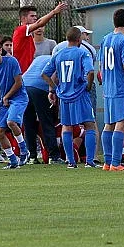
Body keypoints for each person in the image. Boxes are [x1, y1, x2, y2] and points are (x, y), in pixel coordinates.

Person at [43, 26, 99, 168]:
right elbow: (90, 72)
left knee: (66, 127)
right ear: (79, 38)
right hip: (80, 94)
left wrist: (55, 89)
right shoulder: (82, 53)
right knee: (89, 125)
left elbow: (44, 74)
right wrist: (87, 86)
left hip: (64, 96)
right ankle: (90, 161)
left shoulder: (59, 54)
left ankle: (71, 161)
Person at [98, 8, 124, 172]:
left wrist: (105, 81)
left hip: (108, 88)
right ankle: (116, 163)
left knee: (108, 124)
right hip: (121, 87)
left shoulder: (105, 39)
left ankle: (107, 163)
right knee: (121, 123)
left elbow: (101, 65)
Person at [0, 40, 31, 170]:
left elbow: (18, 83)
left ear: (0, 50)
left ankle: (24, 150)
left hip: (19, 98)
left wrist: (7, 96)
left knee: (11, 122)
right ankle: (12, 161)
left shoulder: (11, 61)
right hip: (4, 102)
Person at [22, 54, 61, 164]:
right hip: (40, 88)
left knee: (28, 123)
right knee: (46, 122)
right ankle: (53, 156)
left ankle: (32, 156)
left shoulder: (40, 58)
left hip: (25, 87)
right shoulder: (57, 59)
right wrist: (54, 90)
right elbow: (54, 76)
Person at [12, 2, 68, 72]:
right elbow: (39, 23)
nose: (35, 18)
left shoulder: (29, 35)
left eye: (35, 16)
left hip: (28, 72)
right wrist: (54, 12)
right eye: (32, 16)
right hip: (21, 73)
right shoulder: (21, 30)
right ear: (23, 18)